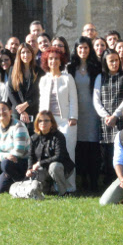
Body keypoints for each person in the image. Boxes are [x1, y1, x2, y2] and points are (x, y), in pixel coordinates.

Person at [38, 45, 77, 192]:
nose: (53, 61)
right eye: (50, 59)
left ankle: (70, 186)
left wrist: (73, 117)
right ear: (46, 62)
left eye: (56, 59)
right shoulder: (43, 80)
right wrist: (41, 120)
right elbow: (42, 101)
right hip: (48, 121)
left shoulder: (68, 78)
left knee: (68, 151)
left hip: (65, 120)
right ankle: (55, 186)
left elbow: (73, 99)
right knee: (51, 152)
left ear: (61, 61)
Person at [93, 49, 123, 186]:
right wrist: (106, 116)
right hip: (106, 122)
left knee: (121, 152)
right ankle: (108, 182)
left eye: (117, 60)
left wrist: (116, 114)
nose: (115, 63)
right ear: (106, 62)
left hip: (121, 120)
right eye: (111, 61)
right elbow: (96, 100)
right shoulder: (100, 78)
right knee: (107, 154)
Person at [68, 38, 102, 193]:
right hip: (76, 112)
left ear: (90, 49)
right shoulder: (70, 68)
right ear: (76, 49)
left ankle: (94, 181)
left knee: (93, 146)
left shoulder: (96, 67)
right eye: (80, 48)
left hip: (93, 112)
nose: (83, 51)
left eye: (86, 48)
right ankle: (81, 181)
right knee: (79, 146)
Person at [27, 110, 73, 196]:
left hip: (61, 168)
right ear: (37, 123)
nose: (43, 123)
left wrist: (40, 163)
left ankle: (63, 193)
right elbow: (30, 156)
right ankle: (48, 188)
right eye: (40, 120)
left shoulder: (58, 136)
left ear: (52, 123)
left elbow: (59, 156)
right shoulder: (34, 138)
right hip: (43, 169)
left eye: (46, 120)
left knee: (54, 167)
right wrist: (29, 169)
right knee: (42, 190)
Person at [0, 100, 29, 194]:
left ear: (10, 111)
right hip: (8, 162)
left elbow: (19, 150)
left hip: (23, 162)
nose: (1, 112)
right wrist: (6, 156)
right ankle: (15, 181)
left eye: (4, 109)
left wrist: (7, 157)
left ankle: (23, 184)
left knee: (5, 164)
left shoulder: (18, 125)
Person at [9, 43, 40, 125]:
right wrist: (21, 109)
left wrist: (27, 103)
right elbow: (11, 91)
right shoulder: (13, 70)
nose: (26, 55)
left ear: (32, 54)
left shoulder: (39, 71)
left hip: (33, 110)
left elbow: (41, 92)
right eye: (23, 52)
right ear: (19, 55)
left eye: (28, 52)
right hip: (17, 111)